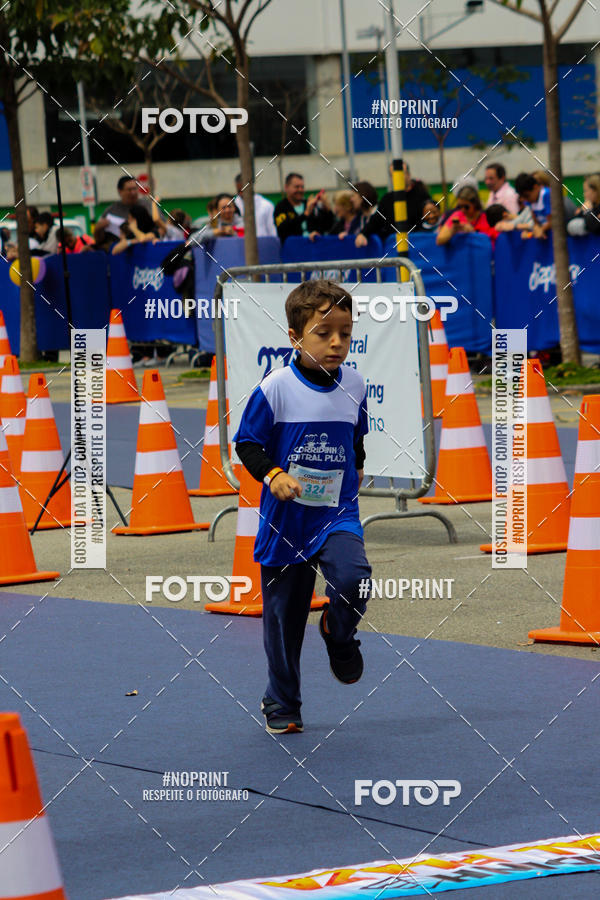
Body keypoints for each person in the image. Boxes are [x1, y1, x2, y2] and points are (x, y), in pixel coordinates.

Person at [234, 279, 371, 734]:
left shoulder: (355, 383)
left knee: (354, 580)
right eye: (323, 332)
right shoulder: (275, 388)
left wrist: (357, 471)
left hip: (336, 513)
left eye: (345, 333)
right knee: (283, 619)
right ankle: (282, 701)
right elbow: (248, 445)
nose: (337, 342)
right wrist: (273, 475)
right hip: (286, 517)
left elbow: (356, 438)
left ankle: (338, 630)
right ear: (294, 337)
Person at [355, 162, 431, 246]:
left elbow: (429, 224)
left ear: (408, 174)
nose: (397, 177)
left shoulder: (422, 197)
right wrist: (363, 234)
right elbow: (376, 220)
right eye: (393, 175)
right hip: (393, 249)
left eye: (400, 173)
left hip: (419, 246)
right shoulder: (387, 199)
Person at [94, 176, 159, 247]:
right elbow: (100, 240)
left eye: (135, 189)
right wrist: (98, 228)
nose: (133, 192)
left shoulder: (148, 206)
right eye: (129, 190)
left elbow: (162, 228)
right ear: (120, 191)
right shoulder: (111, 211)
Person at [274, 172, 335, 243]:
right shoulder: (281, 207)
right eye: (296, 187)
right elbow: (283, 230)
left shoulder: (309, 204)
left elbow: (328, 227)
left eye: (302, 187)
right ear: (286, 187)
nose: (300, 190)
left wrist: (327, 208)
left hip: (313, 249)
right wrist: (306, 213)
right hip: (293, 250)